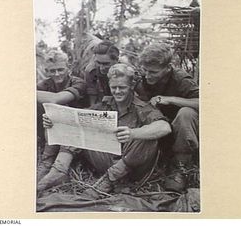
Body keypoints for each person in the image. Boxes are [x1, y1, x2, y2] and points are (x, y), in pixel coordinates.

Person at [37, 63, 171, 198]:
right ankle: (59, 171)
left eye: (122, 87)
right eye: (114, 87)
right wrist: (53, 122)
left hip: (132, 165)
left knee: (147, 137)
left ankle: (110, 179)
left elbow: (164, 127)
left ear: (131, 86)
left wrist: (133, 133)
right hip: (105, 160)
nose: (117, 91)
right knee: (76, 122)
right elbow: (76, 118)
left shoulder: (141, 107)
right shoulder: (105, 104)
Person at [135, 43, 199, 192]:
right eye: (145, 70)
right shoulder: (143, 79)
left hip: (182, 131)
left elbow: (206, 103)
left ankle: (181, 167)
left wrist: (170, 99)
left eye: (153, 72)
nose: (147, 75)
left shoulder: (181, 80)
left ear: (168, 68)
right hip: (161, 128)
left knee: (186, 113)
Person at [36, 50, 86, 181]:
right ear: (47, 71)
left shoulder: (78, 83)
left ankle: (57, 170)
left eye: (60, 69)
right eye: (52, 71)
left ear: (68, 67)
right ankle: (46, 162)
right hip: (51, 133)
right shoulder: (43, 85)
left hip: (77, 133)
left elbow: (56, 99)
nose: (57, 74)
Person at [84, 40, 119, 105]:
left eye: (106, 64)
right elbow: (92, 98)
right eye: (98, 63)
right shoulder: (91, 71)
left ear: (116, 60)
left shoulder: (126, 70)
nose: (101, 68)